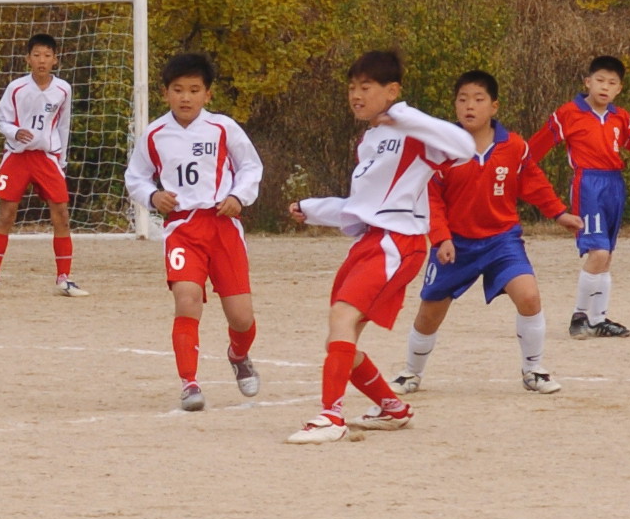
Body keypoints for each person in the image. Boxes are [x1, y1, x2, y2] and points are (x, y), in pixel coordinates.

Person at [284, 50, 477, 443]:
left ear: (391, 91)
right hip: (371, 241)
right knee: (340, 335)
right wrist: (312, 209)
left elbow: (465, 146)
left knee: (342, 318)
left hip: (397, 243)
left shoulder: (410, 130)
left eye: (366, 87)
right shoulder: (370, 139)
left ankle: (330, 417)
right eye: (352, 87)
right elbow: (362, 209)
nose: (356, 94)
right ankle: (394, 408)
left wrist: (404, 114)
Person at [396, 70, 581, 397]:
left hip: (502, 240)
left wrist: (559, 213)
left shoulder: (513, 146)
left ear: (493, 106)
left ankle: (533, 369)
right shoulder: (440, 149)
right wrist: (441, 238)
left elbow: (533, 183)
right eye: (463, 99)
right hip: (456, 244)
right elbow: (431, 199)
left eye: (479, 99)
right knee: (429, 312)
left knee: (529, 295)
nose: (470, 106)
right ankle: (411, 373)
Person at [122, 52, 263, 411]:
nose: (186, 98)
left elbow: (250, 166)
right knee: (186, 299)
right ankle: (190, 383)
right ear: (165, 93)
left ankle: (238, 354)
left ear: (207, 95)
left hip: (222, 226)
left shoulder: (223, 128)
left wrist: (238, 196)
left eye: (194, 90)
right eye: (178, 90)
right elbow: (135, 177)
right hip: (183, 229)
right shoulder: (154, 133)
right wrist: (153, 195)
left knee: (242, 316)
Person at [527, 55, 630, 337]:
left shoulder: (620, 117)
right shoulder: (569, 113)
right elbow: (537, 146)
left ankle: (598, 319)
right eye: (599, 80)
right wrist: (518, 168)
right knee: (597, 251)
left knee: (607, 255)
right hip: (588, 183)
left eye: (612, 83)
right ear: (588, 82)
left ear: (619, 89)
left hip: (615, 185)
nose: (605, 87)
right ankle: (579, 317)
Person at [0, 34, 86, 297]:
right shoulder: (16, 88)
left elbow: (64, 124)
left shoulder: (63, 89)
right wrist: (15, 133)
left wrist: (61, 160)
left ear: (55, 60)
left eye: (47, 55)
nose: (42, 60)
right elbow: (1, 119)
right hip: (17, 156)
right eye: (37, 55)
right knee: (7, 213)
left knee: (61, 214)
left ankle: (64, 278)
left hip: (47, 158)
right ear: (28, 59)